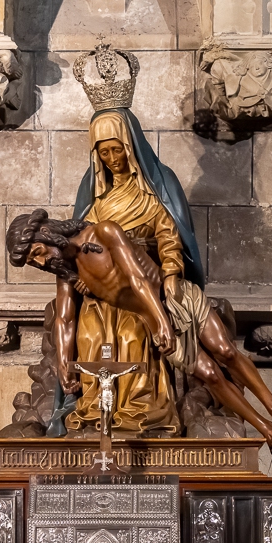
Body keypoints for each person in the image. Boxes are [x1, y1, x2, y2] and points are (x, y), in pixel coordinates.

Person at [6, 209, 272, 454]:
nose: (42, 262)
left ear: (47, 233)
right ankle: (265, 428)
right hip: (151, 318)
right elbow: (65, 319)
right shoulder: (66, 274)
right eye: (34, 263)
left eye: (38, 252)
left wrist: (162, 321)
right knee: (210, 375)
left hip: (174, 299)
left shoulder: (103, 233)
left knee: (225, 351)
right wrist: (63, 364)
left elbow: (138, 279)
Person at [65, 109, 205, 435]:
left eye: (117, 149)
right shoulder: (96, 200)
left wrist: (171, 275)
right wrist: (81, 278)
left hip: (140, 288)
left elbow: (169, 238)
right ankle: (96, 410)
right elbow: (79, 245)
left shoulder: (153, 193)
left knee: (133, 338)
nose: (113, 159)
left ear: (130, 147)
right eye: (105, 152)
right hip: (103, 292)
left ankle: (139, 408)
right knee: (90, 338)